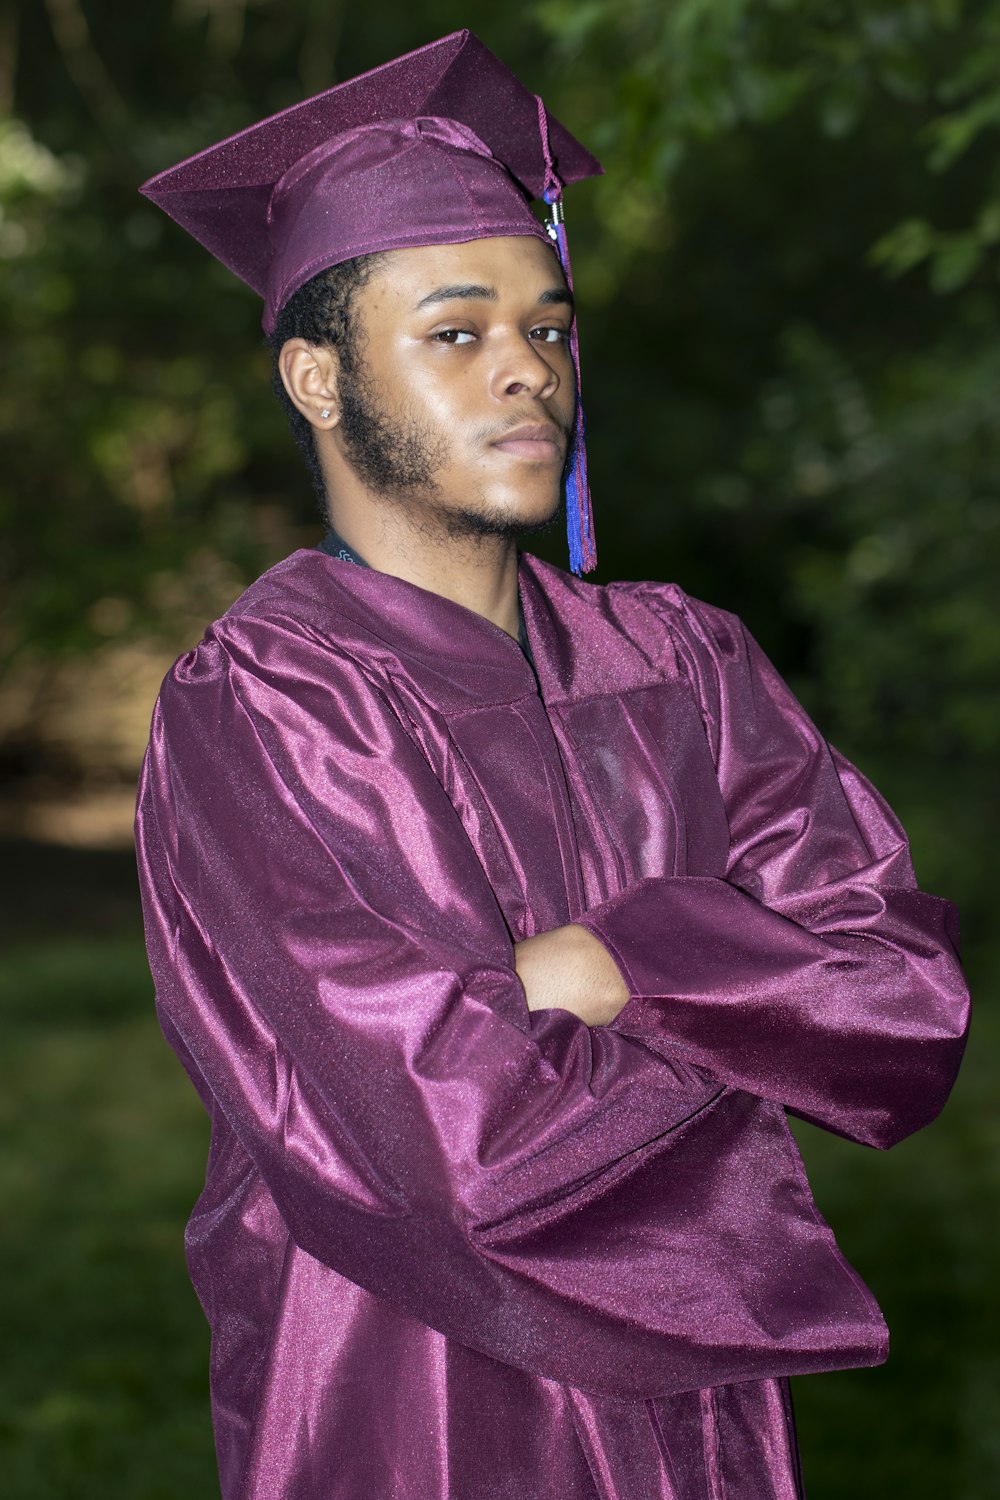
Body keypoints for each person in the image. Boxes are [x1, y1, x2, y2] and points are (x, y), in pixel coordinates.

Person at [135, 29, 970, 1500]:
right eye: (455, 333)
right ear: (317, 381)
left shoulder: (686, 661)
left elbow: (902, 996)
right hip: (415, 1396)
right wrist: (731, 998)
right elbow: (447, 1143)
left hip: (702, 1411)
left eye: (549, 327)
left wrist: (605, 960)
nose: (525, 369)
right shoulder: (266, 696)